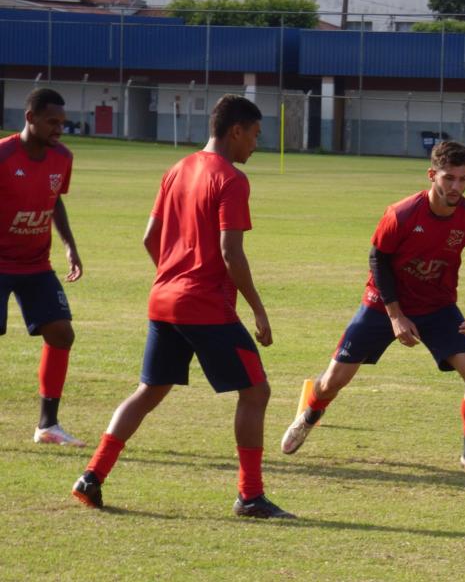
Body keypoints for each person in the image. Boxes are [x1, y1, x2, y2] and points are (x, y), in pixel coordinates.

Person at [72, 95, 295, 518]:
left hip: (164, 300)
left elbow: (148, 238)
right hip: (204, 305)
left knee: (149, 391)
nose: (255, 144)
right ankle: (250, 495)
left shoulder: (177, 169)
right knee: (256, 391)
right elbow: (231, 253)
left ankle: (92, 475)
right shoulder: (230, 179)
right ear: (236, 131)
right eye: (254, 135)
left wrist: (174, 275)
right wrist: (258, 310)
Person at [280, 140, 465, 471]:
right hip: (381, 304)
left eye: (463, 179)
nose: (456, 186)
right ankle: (309, 415)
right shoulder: (401, 214)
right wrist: (395, 315)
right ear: (432, 175)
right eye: (449, 178)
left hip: (438, 306)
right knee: (334, 380)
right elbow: (379, 259)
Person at [0, 88, 85, 447]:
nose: (59, 129)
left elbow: (55, 202)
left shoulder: (62, 157)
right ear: (30, 117)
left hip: (36, 264)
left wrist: (69, 246)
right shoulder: (3, 155)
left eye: (62, 123)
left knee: (62, 333)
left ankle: (47, 425)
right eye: (52, 121)